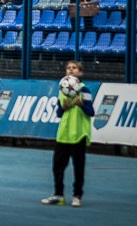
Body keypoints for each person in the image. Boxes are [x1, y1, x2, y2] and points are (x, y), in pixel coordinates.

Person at [42, 60, 94, 208]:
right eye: (68, 68)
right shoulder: (62, 90)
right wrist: (63, 108)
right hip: (64, 133)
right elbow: (59, 113)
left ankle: (77, 196)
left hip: (79, 133)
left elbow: (91, 112)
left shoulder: (84, 90)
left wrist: (82, 104)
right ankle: (58, 195)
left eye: (74, 68)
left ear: (80, 72)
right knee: (57, 166)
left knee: (78, 167)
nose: (70, 70)